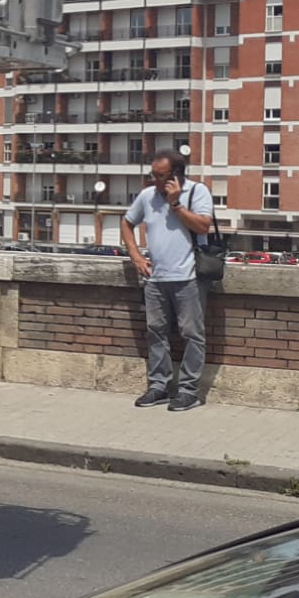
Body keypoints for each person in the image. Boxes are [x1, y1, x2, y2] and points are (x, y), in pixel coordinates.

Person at [119, 147, 216, 412]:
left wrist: (175, 204)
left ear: (176, 175)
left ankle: (188, 391)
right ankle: (158, 386)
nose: (155, 181)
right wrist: (136, 257)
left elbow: (203, 226)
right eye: (153, 175)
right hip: (155, 277)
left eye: (161, 176)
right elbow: (127, 223)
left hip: (190, 277)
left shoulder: (198, 192)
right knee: (156, 331)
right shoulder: (147, 196)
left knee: (191, 334)